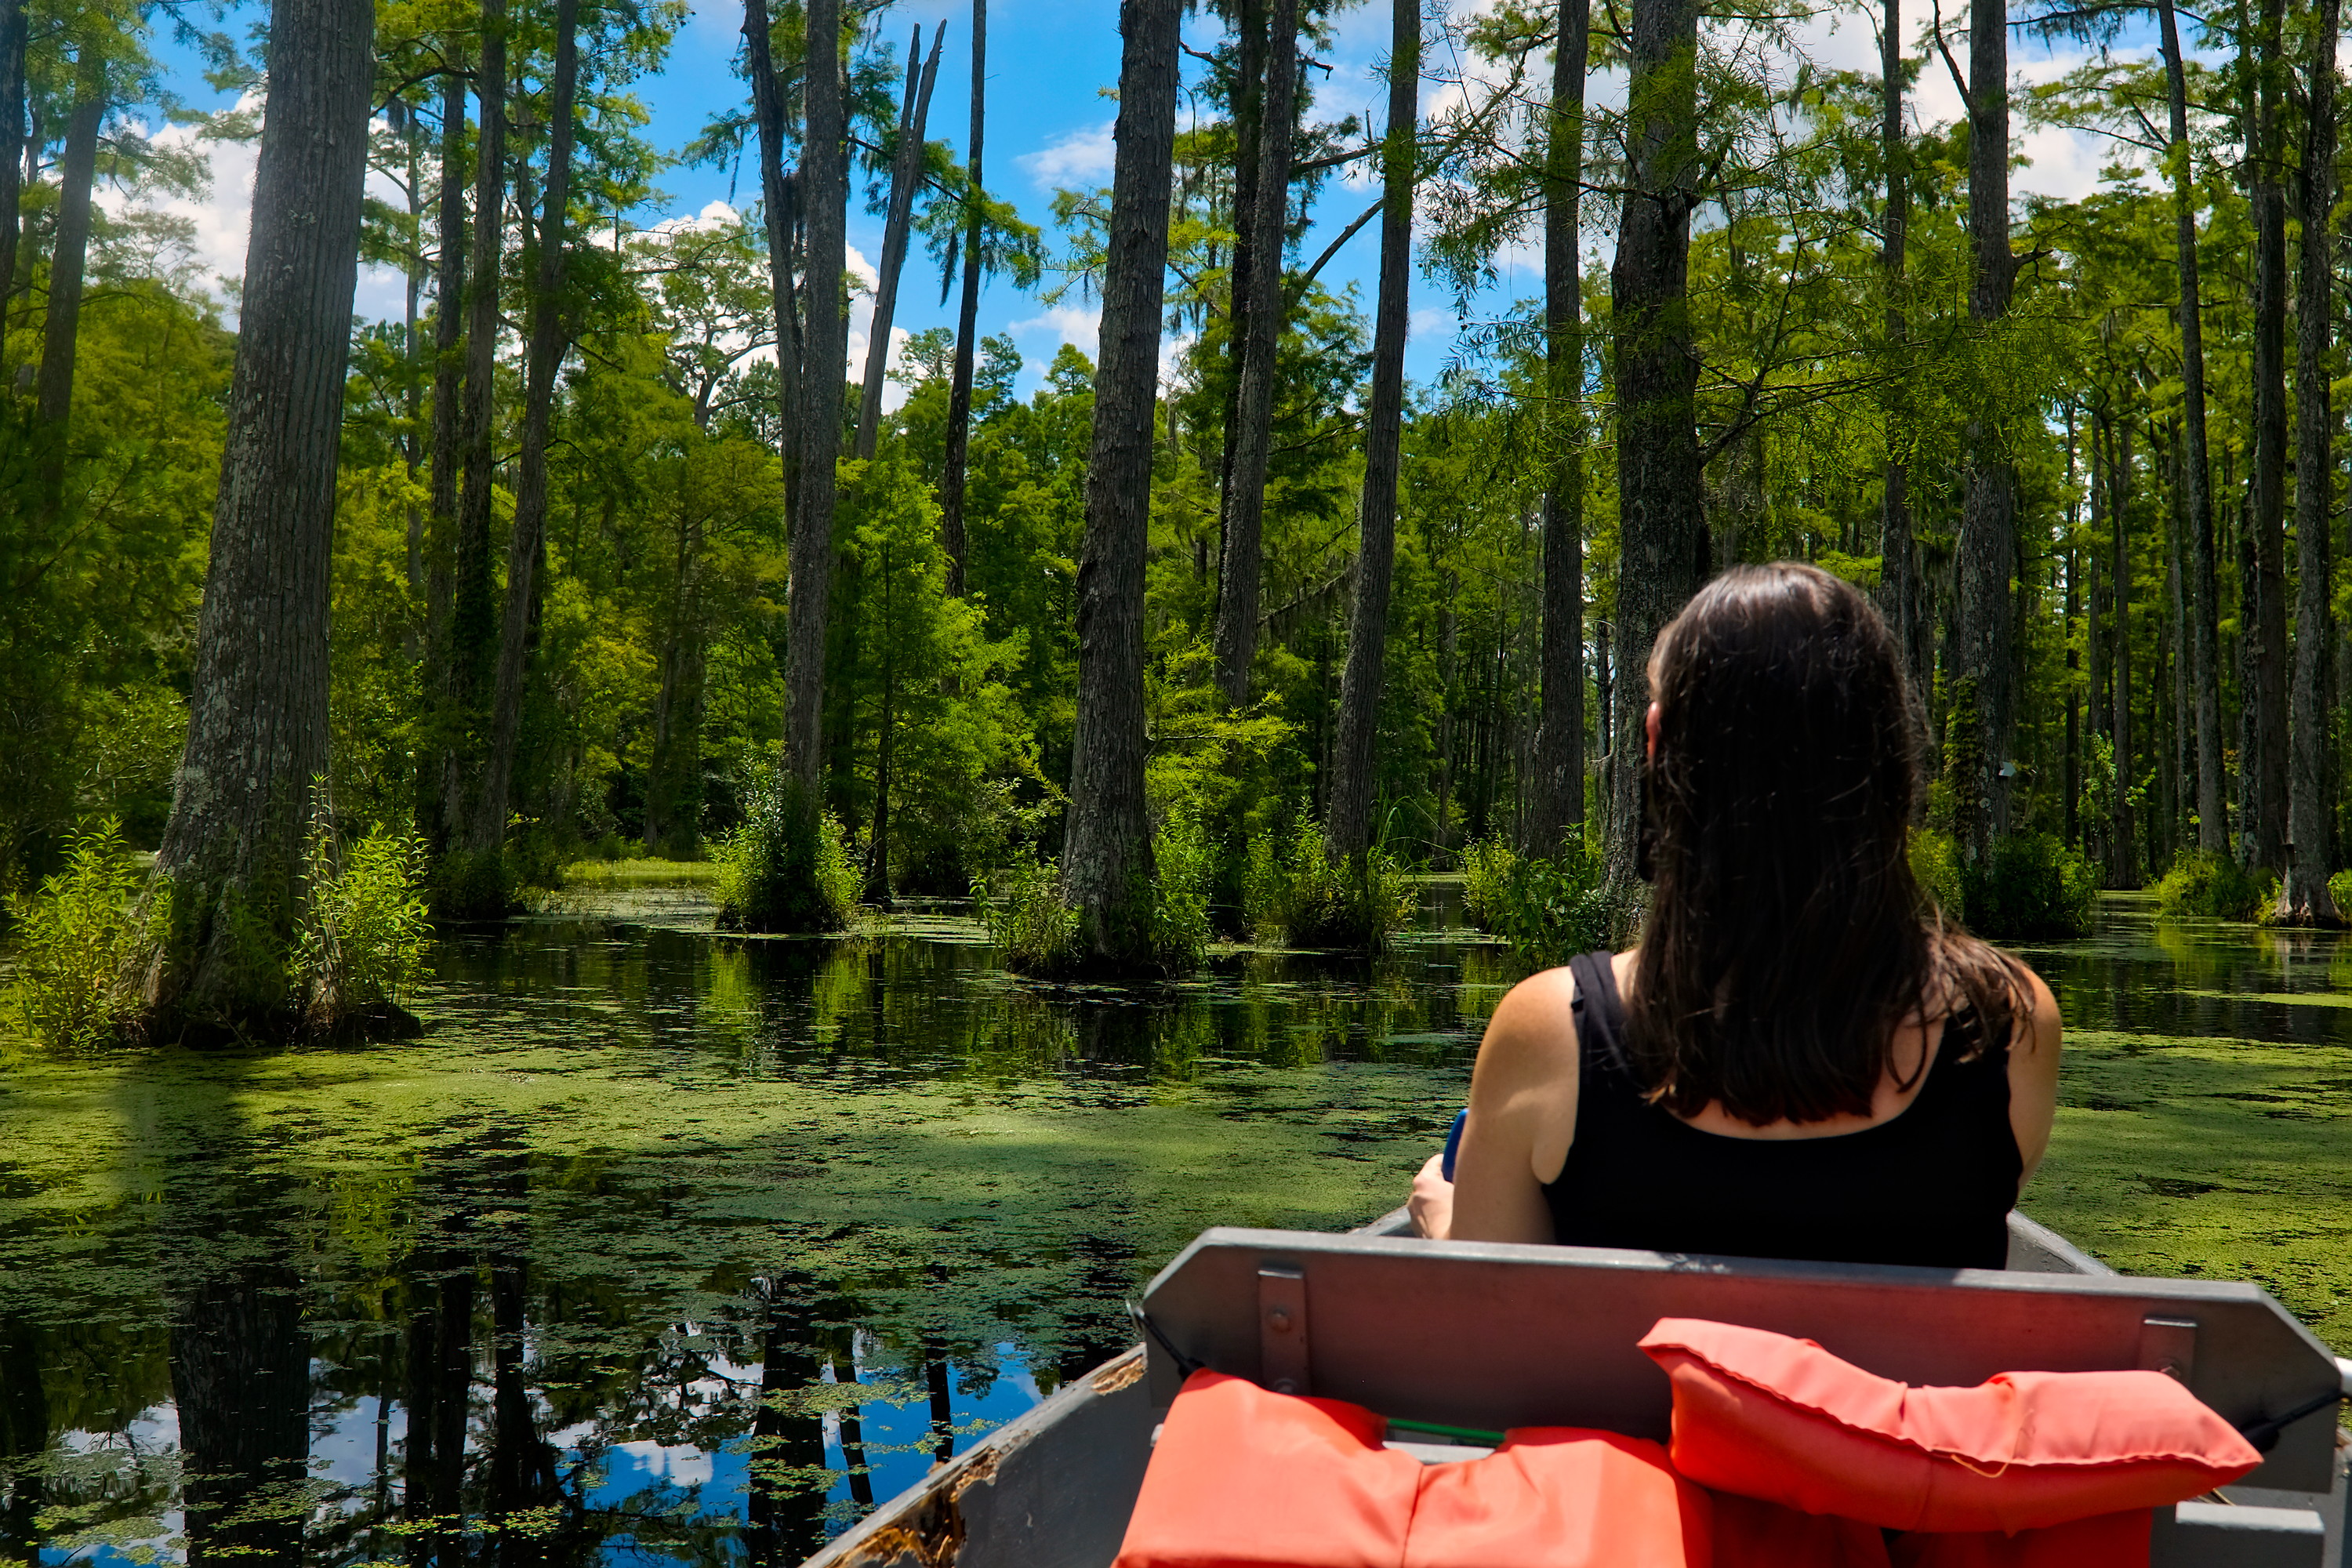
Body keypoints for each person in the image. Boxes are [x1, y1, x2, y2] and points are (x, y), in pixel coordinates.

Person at [1410, 563, 2061, 1268]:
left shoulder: (1548, 1032)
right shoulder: (2007, 1024)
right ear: (1888, 756)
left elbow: (1495, 1318)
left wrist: (1450, 1222)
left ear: (1657, 746)